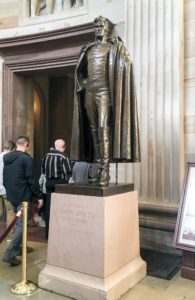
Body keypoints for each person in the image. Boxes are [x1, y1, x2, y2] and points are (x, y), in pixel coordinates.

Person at [71, 16, 140, 187]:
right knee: (93, 130)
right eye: (96, 26)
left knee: (103, 128)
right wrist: (84, 83)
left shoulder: (114, 47)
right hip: (90, 92)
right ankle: (96, 167)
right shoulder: (87, 49)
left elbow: (127, 63)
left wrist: (122, 51)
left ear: (107, 29)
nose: (98, 28)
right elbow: (79, 72)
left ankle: (105, 170)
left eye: (101, 26)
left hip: (105, 92)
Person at [2, 136, 43, 266]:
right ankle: (10, 254)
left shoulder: (7, 158)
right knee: (21, 225)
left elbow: (5, 178)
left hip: (12, 195)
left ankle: (20, 248)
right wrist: (39, 195)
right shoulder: (26, 159)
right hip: (24, 197)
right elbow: (31, 180)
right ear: (27, 145)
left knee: (19, 223)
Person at [41, 139, 71, 239]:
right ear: (63, 147)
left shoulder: (46, 156)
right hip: (60, 184)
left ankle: (48, 234)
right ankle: (59, 233)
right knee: (61, 209)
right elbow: (68, 171)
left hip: (49, 183)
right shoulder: (64, 156)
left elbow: (43, 171)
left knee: (48, 208)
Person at [0, 140, 16, 229]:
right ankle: (9, 236)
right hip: (6, 189)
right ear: (11, 148)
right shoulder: (10, 158)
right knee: (10, 211)